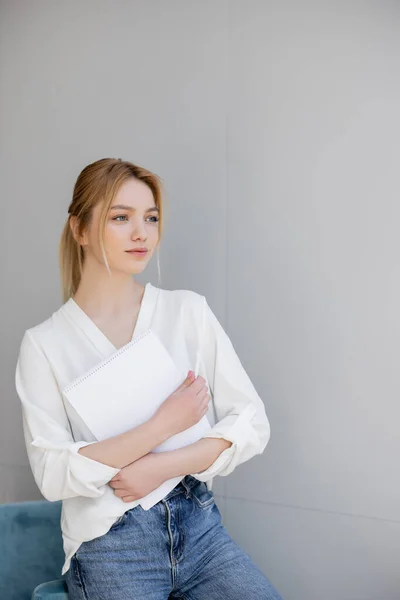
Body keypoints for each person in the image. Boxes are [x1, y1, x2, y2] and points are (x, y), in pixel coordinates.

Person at [15, 158, 284, 599]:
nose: (142, 233)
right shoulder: (45, 344)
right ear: (80, 229)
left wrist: (162, 465)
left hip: (200, 531)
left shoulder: (187, 312)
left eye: (151, 218)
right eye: (121, 218)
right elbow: (52, 472)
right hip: (110, 546)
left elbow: (251, 423)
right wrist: (160, 427)